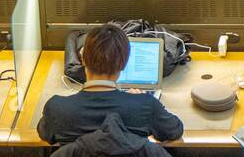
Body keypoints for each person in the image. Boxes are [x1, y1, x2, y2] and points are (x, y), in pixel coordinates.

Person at [37, 23, 184, 146]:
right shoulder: (144, 106)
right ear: (124, 63)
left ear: (82, 58)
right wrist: (143, 100)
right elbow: (174, 130)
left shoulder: (57, 108)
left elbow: (45, 132)